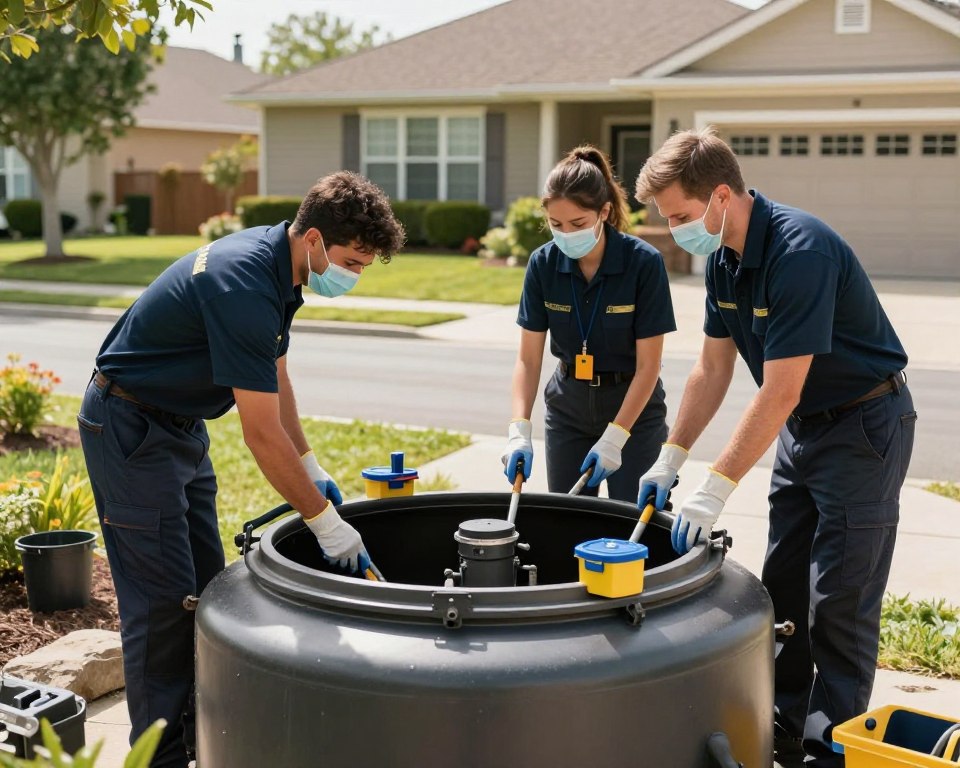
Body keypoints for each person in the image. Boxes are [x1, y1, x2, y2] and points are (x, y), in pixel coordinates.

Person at [76, 171, 405, 768]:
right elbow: (258, 433)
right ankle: (159, 758)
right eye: (353, 261)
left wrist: (309, 461)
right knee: (161, 609)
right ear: (314, 239)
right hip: (128, 428)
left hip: (178, 427)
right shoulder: (242, 283)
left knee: (207, 594)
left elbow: (273, 374)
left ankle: (204, 739)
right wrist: (326, 523)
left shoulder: (282, 265)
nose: (355, 275)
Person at [634, 128, 916, 768]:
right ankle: (783, 726)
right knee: (783, 588)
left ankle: (829, 750)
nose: (674, 230)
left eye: (679, 216)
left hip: (863, 426)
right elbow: (711, 370)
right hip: (804, 430)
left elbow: (781, 389)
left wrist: (713, 491)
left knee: (838, 601)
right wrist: (671, 457)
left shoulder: (800, 251)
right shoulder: (723, 259)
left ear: (721, 196)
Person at [502, 145, 676, 502]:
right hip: (568, 409)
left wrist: (617, 436)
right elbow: (528, 360)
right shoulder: (543, 264)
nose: (566, 234)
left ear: (604, 212)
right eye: (555, 225)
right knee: (569, 522)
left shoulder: (643, 263)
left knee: (633, 527)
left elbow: (648, 367)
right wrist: (519, 429)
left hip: (634, 411)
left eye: (578, 224)